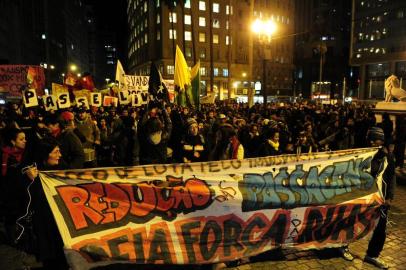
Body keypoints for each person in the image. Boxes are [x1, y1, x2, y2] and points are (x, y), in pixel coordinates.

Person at [26, 138, 68, 269]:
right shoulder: (31, 173)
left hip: (61, 221)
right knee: (50, 258)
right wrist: (30, 181)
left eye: (59, 151)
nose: (59, 155)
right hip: (44, 223)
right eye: (56, 152)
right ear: (45, 154)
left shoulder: (62, 168)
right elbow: (28, 199)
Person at [363, 126, 395, 269]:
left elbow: (392, 176)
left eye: (377, 141)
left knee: (380, 228)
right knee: (350, 221)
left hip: (380, 198)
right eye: (373, 140)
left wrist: (390, 196)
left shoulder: (387, 156)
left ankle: (372, 255)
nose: (374, 143)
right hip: (362, 197)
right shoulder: (361, 155)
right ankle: (342, 245)